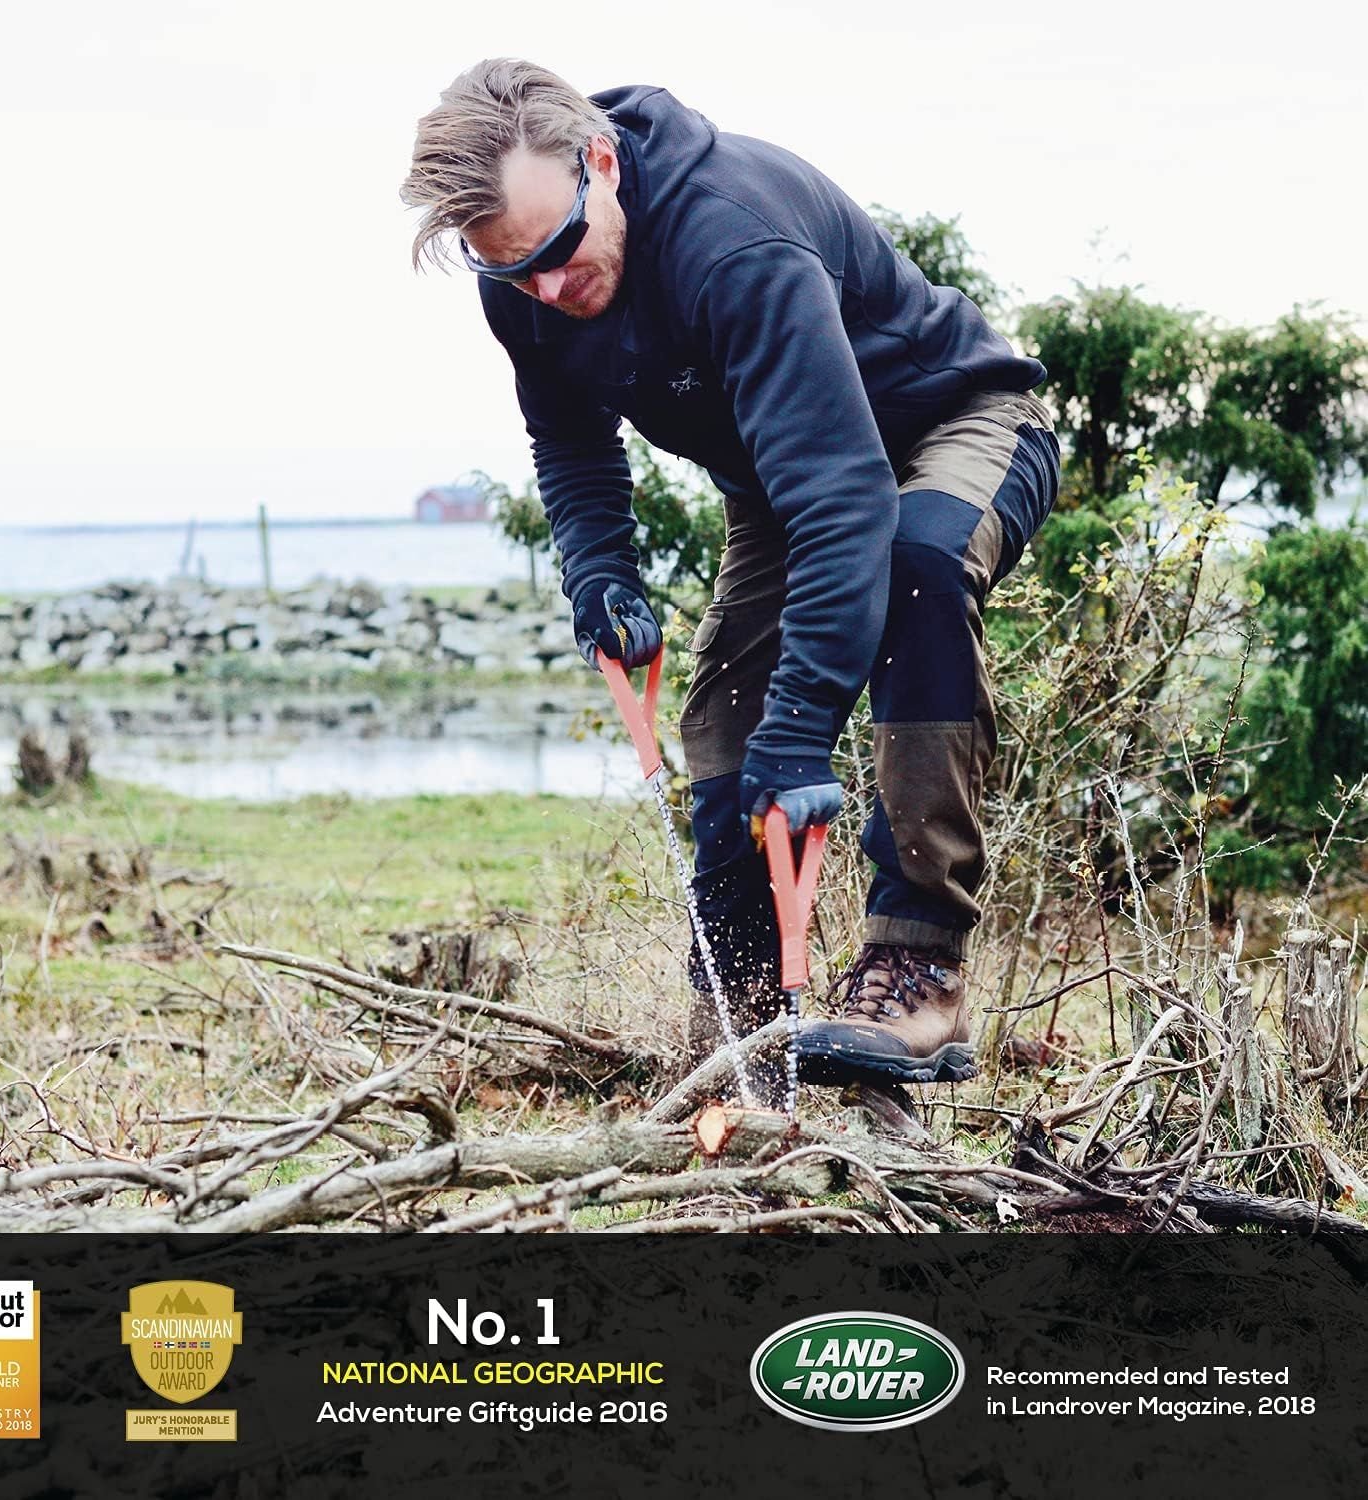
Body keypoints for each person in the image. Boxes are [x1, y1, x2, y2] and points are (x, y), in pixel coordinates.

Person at [401, 59, 1061, 1103]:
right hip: (782, 474)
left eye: (559, 252)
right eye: (514, 272)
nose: (550, 291)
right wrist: (600, 574)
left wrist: (801, 733)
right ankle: (740, 1035)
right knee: (725, 726)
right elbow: (570, 442)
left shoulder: (732, 239)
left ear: (601, 163)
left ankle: (918, 967)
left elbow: (845, 501)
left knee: (916, 569)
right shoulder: (525, 280)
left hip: (956, 421)